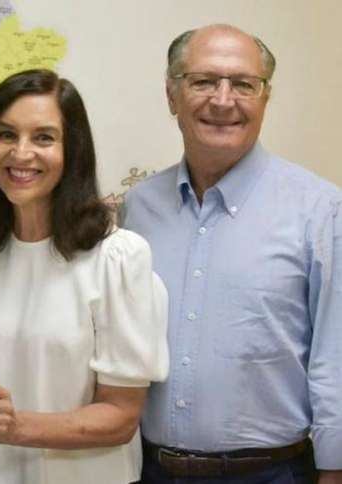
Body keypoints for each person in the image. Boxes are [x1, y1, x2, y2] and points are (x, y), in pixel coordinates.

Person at [122, 24, 342, 484]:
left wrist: (334, 469)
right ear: (171, 95)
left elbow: (334, 357)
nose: (223, 100)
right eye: (203, 81)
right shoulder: (136, 208)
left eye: (244, 84)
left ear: (264, 98)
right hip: (148, 469)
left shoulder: (321, 210)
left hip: (274, 473)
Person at [0, 69, 169, 484]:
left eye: (43, 137)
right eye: (6, 135)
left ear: (72, 151)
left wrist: (16, 427)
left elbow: (121, 417)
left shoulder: (118, 257)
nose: (20, 153)